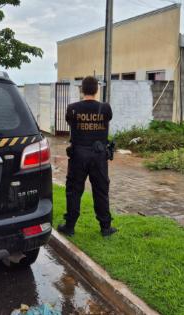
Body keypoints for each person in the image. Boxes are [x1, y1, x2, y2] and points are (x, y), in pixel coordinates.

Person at [58, 76, 117, 237]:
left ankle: (69, 226)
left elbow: (70, 122)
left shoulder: (72, 108)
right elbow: (108, 120)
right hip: (99, 156)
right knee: (101, 191)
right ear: (97, 89)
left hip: (78, 155)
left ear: (82, 89)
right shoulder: (105, 108)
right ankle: (106, 228)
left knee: (74, 191)